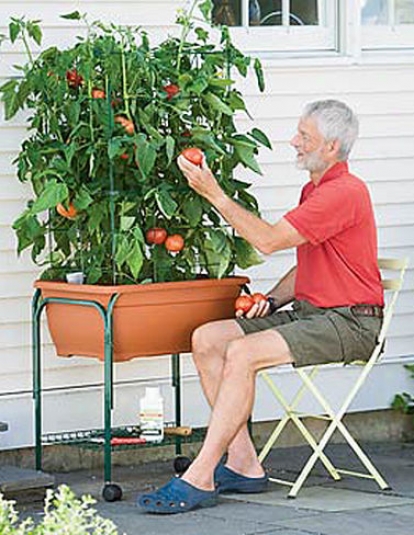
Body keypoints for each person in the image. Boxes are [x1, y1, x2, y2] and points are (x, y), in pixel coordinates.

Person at [138, 99, 384, 514]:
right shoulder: (317, 189)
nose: (293, 141)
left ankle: (200, 474)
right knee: (209, 338)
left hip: (350, 322)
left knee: (243, 352)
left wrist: (213, 193)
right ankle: (245, 464)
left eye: (304, 136)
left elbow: (268, 241)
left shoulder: (345, 192)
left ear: (332, 147)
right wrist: (271, 300)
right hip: (313, 314)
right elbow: (308, 261)